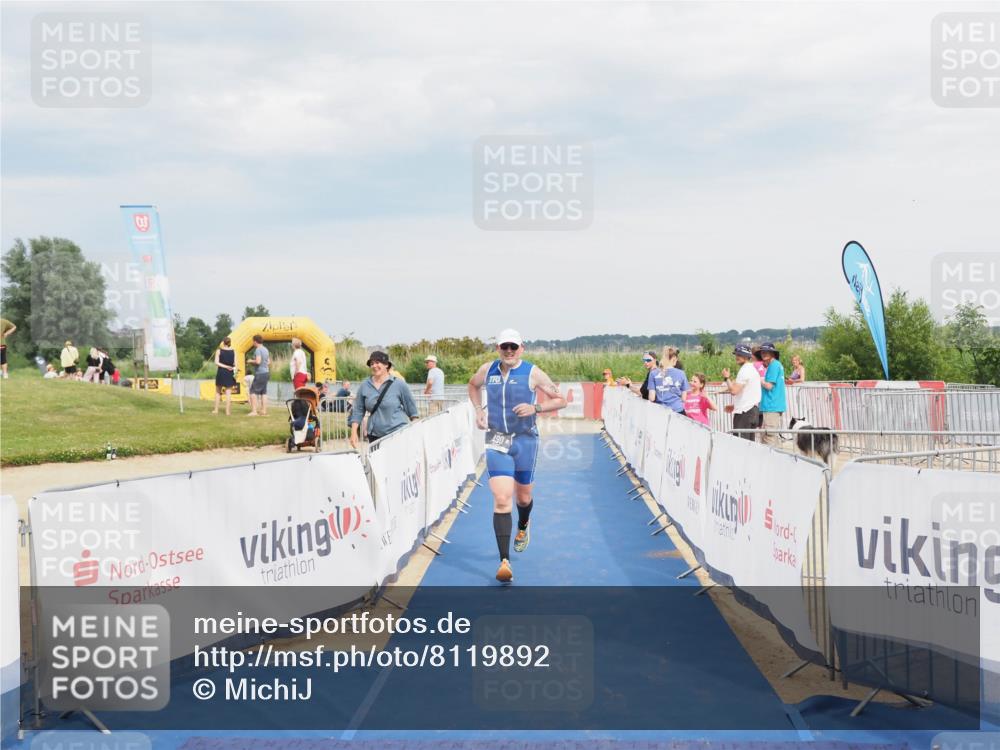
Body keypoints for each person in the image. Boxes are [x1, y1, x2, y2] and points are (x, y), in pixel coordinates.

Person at [468, 329, 567, 584]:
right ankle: (504, 561)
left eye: (513, 347)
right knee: (502, 498)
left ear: (521, 348)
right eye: (504, 347)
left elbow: (561, 400)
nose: (509, 351)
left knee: (523, 498)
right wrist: (479, 410)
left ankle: (523, 524)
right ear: (498, 348)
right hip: (497, 439)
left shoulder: (532, 372)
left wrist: (536, 407)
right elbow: (472, 385)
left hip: (525, 441)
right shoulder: (487, 370)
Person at [349, 351, 419, 448]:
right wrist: (353, 432)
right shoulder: (365, 385)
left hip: (397, 433)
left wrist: (415, 432)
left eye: (378, 362)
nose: (374, 366)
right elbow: (358, 410)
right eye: (372, 363)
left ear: (386, 365)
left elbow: (412, 411)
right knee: (377, 463)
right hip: (374, 435)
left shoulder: (399, 384)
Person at [721, 344, 761, 441]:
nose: (737, 357)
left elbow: (734, 391)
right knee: (750, 445)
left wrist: (726, 378)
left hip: (745, 413)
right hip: (753, 410)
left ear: (747, 356)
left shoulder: (745, 370)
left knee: (740, 445)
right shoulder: (751, 369)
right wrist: (735, 405)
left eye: (740, 355)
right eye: (736, 354)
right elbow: (748, 393)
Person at [758, 342, 787, 446]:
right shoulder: (777, 365)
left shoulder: (773, 365)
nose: (764, 354)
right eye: (762, 352)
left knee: (768, 438)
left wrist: (759, 380)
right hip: (774, 405)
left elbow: (769, 386)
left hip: (771, 406)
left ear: (772, 353)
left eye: (766, 352)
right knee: (772, 437)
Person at [648, 346, 689, 413]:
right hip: (678, 411)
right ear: (674, 358)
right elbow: (684, 398)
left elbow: (651, 398)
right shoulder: (681, 373)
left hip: (661, 411)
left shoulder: (653, 373)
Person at [213, 336, 238, 415]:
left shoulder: (219, 351)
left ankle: (216, 410)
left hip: (221, 372)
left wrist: (225, 366)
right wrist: (235, 373)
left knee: (218, 392)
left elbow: (216, 362)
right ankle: (227, 411)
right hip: (230, 372)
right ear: (230, 343)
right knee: (228, 393)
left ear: (223, 342)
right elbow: (235, 365)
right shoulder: (234, 352)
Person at [247, 334, 270, 417]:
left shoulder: (258, 350)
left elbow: (258, 361)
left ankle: (254, 411)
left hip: (260, 373)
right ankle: (264, 411)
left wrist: (250, 361)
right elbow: (268, 362)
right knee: (263, 392)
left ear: (255, 341)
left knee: (252, 391)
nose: (252, 343)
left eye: (253, 341)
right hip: (266, 372)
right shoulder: (266, 349)